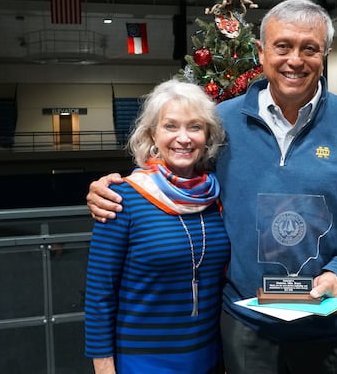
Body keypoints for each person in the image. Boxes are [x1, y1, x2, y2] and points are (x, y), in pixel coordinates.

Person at [87, 0, 337, 374]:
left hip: (332, 330)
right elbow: (173, 174)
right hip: (247, 329)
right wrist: (110, 189)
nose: (295, 60)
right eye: (283, 46)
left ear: (326, 54)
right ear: (261, 51)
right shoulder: (222, 123)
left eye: (310, 48)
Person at [84, 79, 229, 374]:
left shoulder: (216, 197)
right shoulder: (122, 198)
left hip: (209, 360)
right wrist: (103, 368)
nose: (184, 138)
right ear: (152, 134)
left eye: (195, 127)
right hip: (144, 362)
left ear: (208, 135)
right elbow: (99, 293)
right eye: (171, 126)